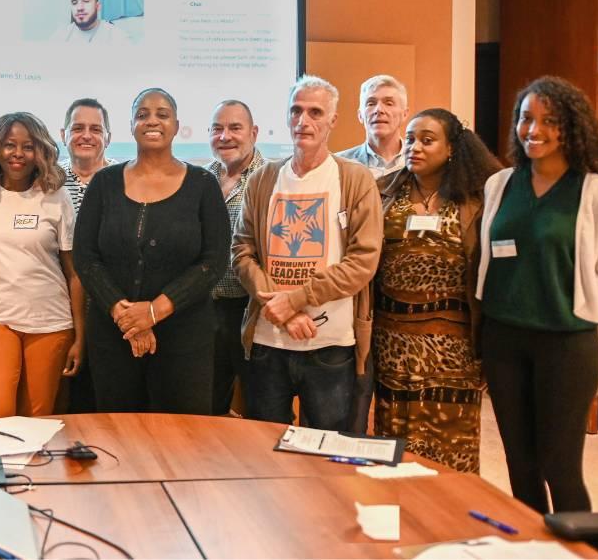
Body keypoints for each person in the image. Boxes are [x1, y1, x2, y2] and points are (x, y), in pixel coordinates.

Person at [477, 76, 598, 513]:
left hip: (567, 343)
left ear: (572, 126)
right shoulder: (501, 185)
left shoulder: (592, 192)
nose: (534, 130)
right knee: (521, 465)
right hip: (503, 339)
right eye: (526, 118)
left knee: (559, 465)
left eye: (550, 121)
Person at [232, 75, 382, 430]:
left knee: (327, 455)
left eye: (315, 112)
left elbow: (363, 262)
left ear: (333, 120)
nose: (304, 121)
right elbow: (241, 251)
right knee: (264, 450)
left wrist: (297, 298)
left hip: (331, 345)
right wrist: (282, 311)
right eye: (296, 111)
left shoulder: (355, 180)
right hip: (269, 341)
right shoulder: (264, 178)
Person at [74, 88, 230, 414]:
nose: (152, 121)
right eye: (142, 114)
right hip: (113, 336)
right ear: (131, 125)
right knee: (117, 441)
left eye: (162, 114)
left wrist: (154, 312)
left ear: (176, 125)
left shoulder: (203, 184)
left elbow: (213, 262)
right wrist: (125, 315)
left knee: (181, 443)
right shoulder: (104, 184)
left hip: (185, 339)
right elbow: (86, 258)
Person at [372, 108, 501, 473]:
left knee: (451, 443)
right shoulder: (384, 190)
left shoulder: (477, 197)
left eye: (427, 140)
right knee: (395, 446)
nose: (414, 147)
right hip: (392, 340)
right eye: (410, 139)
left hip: (454, 346)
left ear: (451, 149)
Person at [0, 112, 84, 418]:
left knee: (37, 423)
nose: (18, 154)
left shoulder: (56, 197)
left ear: (40, 151)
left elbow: (74, 273)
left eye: (27, 146)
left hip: (51, 322)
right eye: (9, 145)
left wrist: (80, 337)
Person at [205, 99, 265, 416]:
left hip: (251, 308)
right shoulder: (203, 178)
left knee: (258, 402)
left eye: (235, 128)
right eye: (217, 128)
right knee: (208, 403)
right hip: (206, 309)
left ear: (253, 132)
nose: (225, 136)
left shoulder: (269, 178)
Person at [58, 97, 116, 413]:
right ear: (63, 133)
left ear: (107, 137)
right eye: (78, 128)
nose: (86, 135)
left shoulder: (126, 179)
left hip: (114, 314)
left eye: (96, 129)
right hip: (59, 315)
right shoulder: (48, 182)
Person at [337, 75, 409, 178]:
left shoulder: (419, 163)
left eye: (389, 103)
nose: (379, 110)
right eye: (371, 104)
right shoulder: (339, 165)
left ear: (404, 114)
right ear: (360, 115)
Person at [51, 0, 130, 44]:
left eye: (86, 1)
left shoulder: (118, 38)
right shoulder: (60, 36)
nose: (79, 8)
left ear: (98, 6)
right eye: (74, 2)